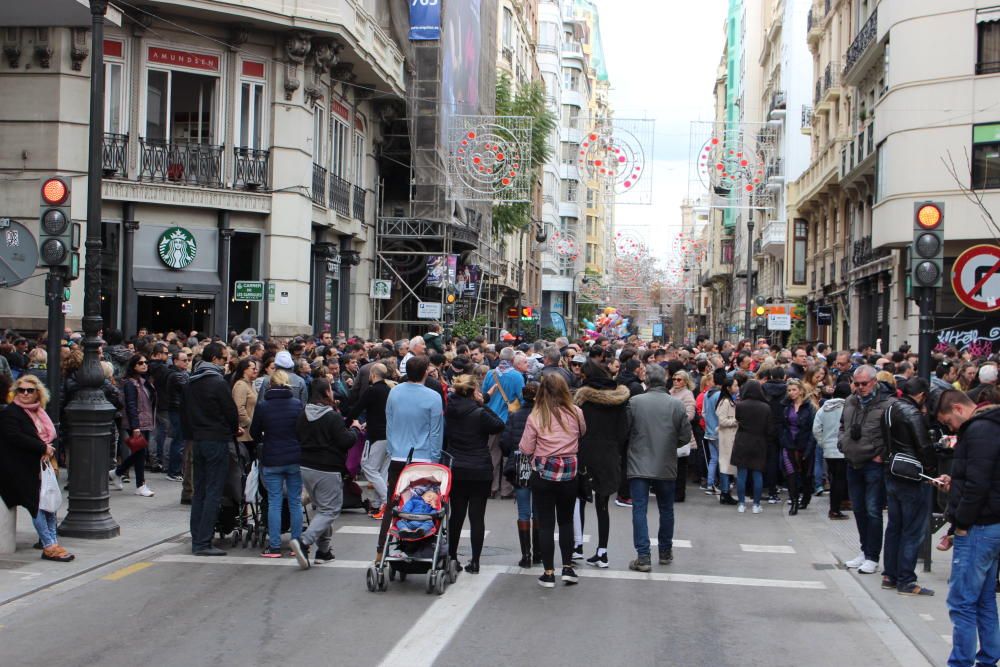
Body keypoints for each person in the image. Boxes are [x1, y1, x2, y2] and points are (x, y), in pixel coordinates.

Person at [934, 390, 1000, 667]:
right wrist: (955, 483)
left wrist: (959, 524)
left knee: (962, 602)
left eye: (949, 422)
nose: (950, 428)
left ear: (959, 409)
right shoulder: (991, 425)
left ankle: (961, 662)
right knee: (983, 601)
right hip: (990, 523)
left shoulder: (978, 430)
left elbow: (977, 484)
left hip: (979, 526)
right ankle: (987, 660)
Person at [518, 373, 586, 588]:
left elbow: (525, 447)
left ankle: (548, 572)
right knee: (565, 521)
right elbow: (583, 432)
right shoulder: (576, 412)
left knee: (546, 523)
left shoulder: (536, 416)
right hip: (569, 472)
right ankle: (567, 567)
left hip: (544, 471)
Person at [375, 355, 443, 565]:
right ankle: (422, 545)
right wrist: (435, 459)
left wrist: (393, 449)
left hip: (398, 457)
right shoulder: (433, 396)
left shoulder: (394, 392)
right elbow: (435, 432)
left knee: (394, 503)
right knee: (426, 503)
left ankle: (380, 550)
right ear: (425, 373)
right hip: (423, 459)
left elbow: (390, 423)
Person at [625, 364, 693, 572]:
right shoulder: (676, 404)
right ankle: (665, 551)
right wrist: (670, 445)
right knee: (666, 508)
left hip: (639, 461)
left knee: (639, 508)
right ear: (665, 380)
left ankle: (643, 556)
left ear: (646, 379)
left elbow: (625, 430)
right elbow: (685, 437)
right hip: (666, 462)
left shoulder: (634, 402)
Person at [0, 375, 74, 562]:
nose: (25, 393)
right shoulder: (11, 412)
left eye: (29, 390)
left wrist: (45, 449)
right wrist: (42, 448)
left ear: (37, 394)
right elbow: (14, 436)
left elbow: (45, 435)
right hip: (19, 468)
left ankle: (52, 543)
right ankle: (49, 546)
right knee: (37, 506)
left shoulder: (38, 412)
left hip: (39, 465)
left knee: (48, 506)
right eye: (21, 390)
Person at [290, 378, 359, 569]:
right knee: (329, 510)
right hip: (327, 467)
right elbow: (345, 441)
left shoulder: (303, 413)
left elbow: (297, 434)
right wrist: (354, 430)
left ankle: (324, 550)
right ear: (326, 393)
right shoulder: (332, 416)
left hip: (306, 466)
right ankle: (304, 542)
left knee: (322, 509)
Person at [443, 374, 506, 573]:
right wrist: (482, 404)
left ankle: (452, 556)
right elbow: (499, 424)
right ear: (472, 392)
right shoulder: (479, 412)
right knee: (477, 516)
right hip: (479, 467)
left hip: (457, 466)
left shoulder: (450, 410)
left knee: (457, 515)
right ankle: (475, 561)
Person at [184, 342, 241, 557]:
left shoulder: (192, 381)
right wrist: (232, 428)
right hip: (215, 439)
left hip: (197, 439)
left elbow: (184, 412)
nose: (227, 362)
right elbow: (230, 411)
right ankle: (203, 541)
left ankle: (197, 535)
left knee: (200, 490)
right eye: (225, 358)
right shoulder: (217, 382)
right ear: (216, 359)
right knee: (213, 491)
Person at [882, 377, 936, 596]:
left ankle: (890, 575)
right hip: (912, 474)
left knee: (895, 526)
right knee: (912, 529)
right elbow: (923, 445)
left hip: (894, 470)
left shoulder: (890, 408)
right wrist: (931, 472)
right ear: (922, 395)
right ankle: (906, 579)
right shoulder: (912, 413)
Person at [838, 365, 895, 575]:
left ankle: (872, 556)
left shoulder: (887, 404)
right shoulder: (851, 401)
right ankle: (865, 551)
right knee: (859, 509)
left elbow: (892, 433)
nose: (860, 387)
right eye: (857, 383)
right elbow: (843, 425)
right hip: (853, 461)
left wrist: (882, 454)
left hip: (873, 463)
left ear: (874, 382)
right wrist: (842, 443)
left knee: (873, 510)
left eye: (864, 383)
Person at [574, 363, 631, 568]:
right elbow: (624, 432)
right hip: (609, 455)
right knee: (603, 505)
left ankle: (577, 546)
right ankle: (602, 550)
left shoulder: (583, 401)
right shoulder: (619, 402)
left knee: (579, 499)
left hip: (586, 453)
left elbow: (576, 430)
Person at [250, 369, 305, 558]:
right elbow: (301, 430)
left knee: (274, 501)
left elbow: (255, 432)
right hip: (294, 457)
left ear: (270, 385)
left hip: (272, 457)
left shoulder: (264, 406)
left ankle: (274, 546)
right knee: (295, 501)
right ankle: (296, 544)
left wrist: (265, 439)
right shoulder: (297, 404)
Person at [343, 362, 393, 519]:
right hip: (390, 435)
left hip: (376, 435)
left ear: (372, 375)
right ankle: (378, 505)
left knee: (368, 467)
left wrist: (346, 424)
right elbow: (382, 412)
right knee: (382, 471)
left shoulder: (372, 391)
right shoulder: (391, 390)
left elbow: (357, 409)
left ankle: (387, 502)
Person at [500, 380, 540, 567]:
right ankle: (539, 552)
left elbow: (505, 443)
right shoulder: (544, 416)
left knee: (523, 512)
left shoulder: (515, 416)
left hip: (520, 464)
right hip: (540, 464)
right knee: (538, 511)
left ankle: (526, 555)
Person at [482, 346, 526, 498]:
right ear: (513, 360)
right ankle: (506, 489)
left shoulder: (490, 374)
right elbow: (523, 398)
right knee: (508, 455)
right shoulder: (517, 377)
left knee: (492, 454)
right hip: (508, 420)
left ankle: (491, 488)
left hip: (490, 420)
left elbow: (484, 395)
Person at [112, 354, 156, 497]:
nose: (144, 365)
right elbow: (131, 405)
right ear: (134, 366)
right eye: (140, 363)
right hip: (137, 423)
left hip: (146, 421)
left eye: (146, 362)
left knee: (139, 453)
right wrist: (135, 426)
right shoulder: (131, 383)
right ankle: (140, 484)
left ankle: (118, 472)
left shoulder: (144, 381)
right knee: (140, 453)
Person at [730, 380, 774, 514]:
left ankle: (742, 503)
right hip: (759, 441)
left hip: (742, 440)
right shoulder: (766, 407)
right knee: (757, 473)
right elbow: (770, 429)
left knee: (742, 474)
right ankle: (756, 504)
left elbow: (737, 419)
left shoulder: (740, 405)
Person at [813, 382, 851, 520]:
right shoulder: (849, 408)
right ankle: (835, 509)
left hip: (828, 449)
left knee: (834, 478)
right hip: (843, 449)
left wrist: (823, 442)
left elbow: (816, 428)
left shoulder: (824, 408)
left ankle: (837, 505)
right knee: (840, 480)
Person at [781, 378, 817, 516]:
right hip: (789, 444)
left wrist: (809, 448)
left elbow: (813, 429)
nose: (791, 393)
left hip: (804, 444)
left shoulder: (810, 407)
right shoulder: (785, 406)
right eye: (789, 390)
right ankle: (794, 501)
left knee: (805, 475)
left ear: (801, 391)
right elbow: (782, 425)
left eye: (794, 390)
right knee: (791, 474)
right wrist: (783, 439)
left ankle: (805, 497)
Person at [669, 370, 697, 502]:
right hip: (670, 434)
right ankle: (671, 491)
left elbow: (690, 415)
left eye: (679, 379)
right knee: (671, 466)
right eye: (674, 378)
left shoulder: (687, 394)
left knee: (681, 466)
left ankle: (679, 493)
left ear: (685, 381)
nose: (675, 381)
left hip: (681, 434)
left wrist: (673, 419)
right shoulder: (671, 392)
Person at [164, 350, 190, 482]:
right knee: (178, 441)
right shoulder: (176, 375)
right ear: (176, 361)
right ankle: (174, 471)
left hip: (179, 409)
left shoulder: (180, 374)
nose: (187, 362)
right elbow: (188, 388)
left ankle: (175, 470)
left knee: (179, 440)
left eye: (188, 360)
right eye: (184, 360)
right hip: (177, 410)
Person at [714, 371, 740, 506]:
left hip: (729, 437)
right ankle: (724, 492)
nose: (737, 388)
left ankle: (725, 492)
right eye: (735, 386)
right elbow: (722, 421)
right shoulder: (725, 402)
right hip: (726, 437)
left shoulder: (729, 400)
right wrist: (736, 421)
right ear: (729, 388)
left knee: (727, 465)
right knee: (725, 465)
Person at [231, 358, 259, 458]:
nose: (256, 371)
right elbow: (239, 408)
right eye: (253, 369)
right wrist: (249, 423)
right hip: (245, 434)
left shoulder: (250, 384)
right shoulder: (240, 385)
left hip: (250, 433)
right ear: (244, 370)